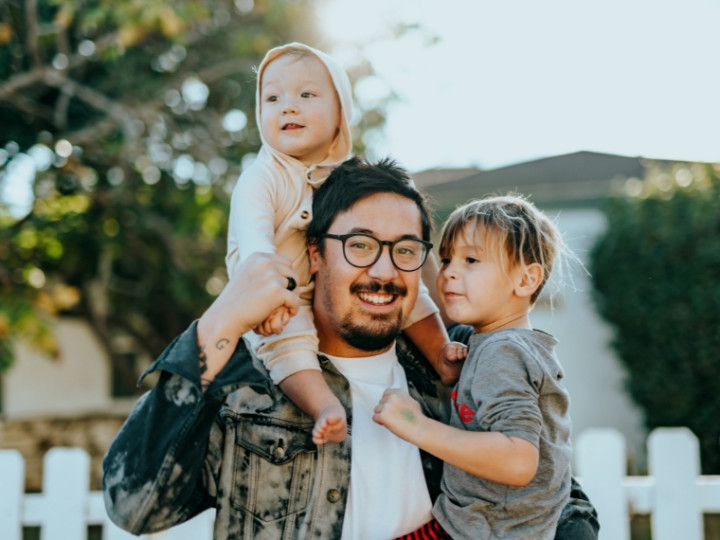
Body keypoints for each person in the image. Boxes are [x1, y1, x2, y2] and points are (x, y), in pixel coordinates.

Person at [102, 157, 599, 539]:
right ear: (315, 254)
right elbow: (134, 506)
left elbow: (556, 491)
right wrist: (220, 321)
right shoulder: (244, 381)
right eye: (360, 245)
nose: (383, 271)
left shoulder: (456, 361)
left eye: (405, 250)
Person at [226, 43, 464, 445]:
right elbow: (255, 247)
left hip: (316, 289)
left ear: (341, 113)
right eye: (272, 98)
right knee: (289, 345)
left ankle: (441, 354)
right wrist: (269, 300)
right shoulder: (262, 177)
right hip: (276, 297)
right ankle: (324, 406)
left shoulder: (348, 180)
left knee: (410, 288)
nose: (288, 107)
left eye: (306, 95)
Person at [374, 195, 579, 539]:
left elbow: (518, 460)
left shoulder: (502, 352)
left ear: (526, 280)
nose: (449, 271)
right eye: (445, 258)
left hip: (480, 530)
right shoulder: (512, 345)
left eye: (471, 259)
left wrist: (415, 426)